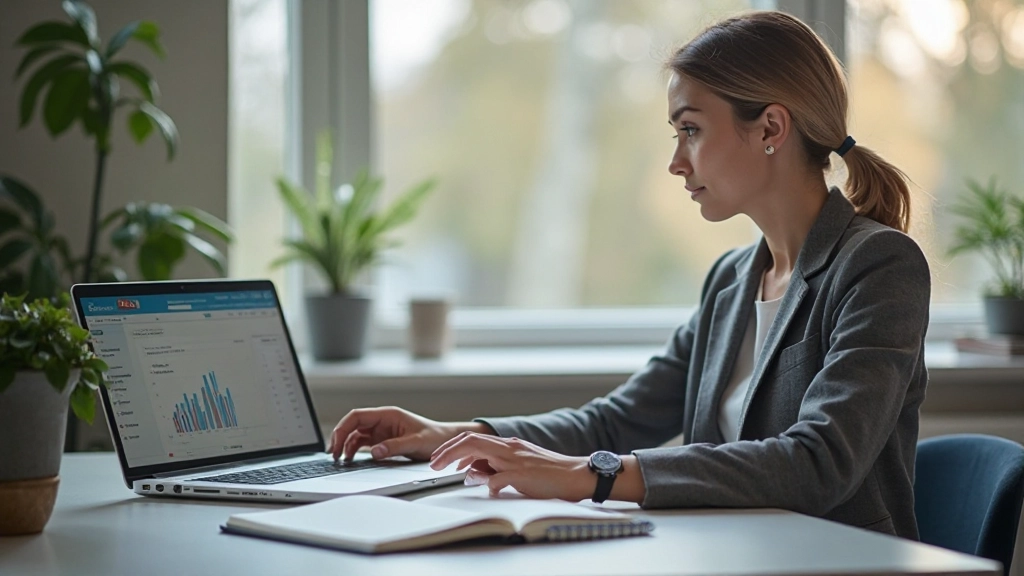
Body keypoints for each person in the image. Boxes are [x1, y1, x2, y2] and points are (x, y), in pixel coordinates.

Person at [328, 11, 930, 540]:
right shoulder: (732, 281)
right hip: (736, 553)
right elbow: (616, 421)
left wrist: (590, 475)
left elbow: (819, 462)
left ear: (771, 128)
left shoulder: (878, 265)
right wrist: (452, 435)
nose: (675, 162)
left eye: (691, 130)